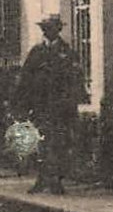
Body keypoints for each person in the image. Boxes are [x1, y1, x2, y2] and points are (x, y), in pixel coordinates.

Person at [17, 13, 84, 195]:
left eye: (51, 28)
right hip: (40, 106)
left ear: (58, 30)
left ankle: (57, 181)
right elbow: (25, 79)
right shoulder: (36, 52)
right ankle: (41, 179)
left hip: (61, 108)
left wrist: (71, 104)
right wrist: (23, 104)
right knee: (40, 144)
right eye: (44, 29)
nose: (47, 32)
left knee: (60, 144)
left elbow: (76, 80)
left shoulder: (67, 52)